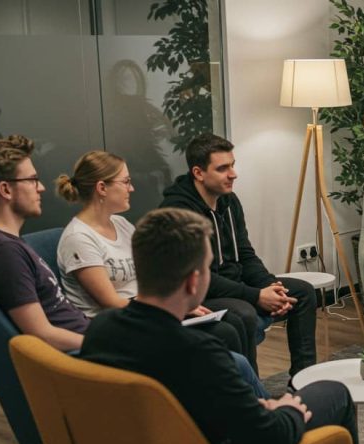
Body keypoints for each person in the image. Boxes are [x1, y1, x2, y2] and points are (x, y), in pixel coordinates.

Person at [80, 208, 364, 444]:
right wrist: (287, 410)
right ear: (194, 282)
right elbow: (270, 439)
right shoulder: (196, 351)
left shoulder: (101, 331)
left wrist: (253, 407)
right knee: (335, 393)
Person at [54, 150, 260, 376]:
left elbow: (153, 273)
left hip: (145, 311)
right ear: (102, 188)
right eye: (126, 182)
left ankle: (244, 394)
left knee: (234, 320)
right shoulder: (78, 238)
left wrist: (178, 304)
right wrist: (168, 310)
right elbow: (111, 302)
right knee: (223, 332)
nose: (131, 188)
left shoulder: (121, 224)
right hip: (120, 324)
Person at [160, 134, 317, 380]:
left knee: (302, 292)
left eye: (232, 165)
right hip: (202, 295)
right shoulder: (178, 212)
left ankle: (303, 379)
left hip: (238, 285)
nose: (233, 174)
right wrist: (256, 296)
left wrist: (269, 286)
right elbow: (199, 277)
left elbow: (245, 253)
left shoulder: (229, 202)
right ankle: (251, 397)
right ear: (198, 173)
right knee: (243, 312)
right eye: (223, 168)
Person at [0, 134, 87, 351]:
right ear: (5, 189)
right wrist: (108, 344)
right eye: (32, 180)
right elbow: (42, 335)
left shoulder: (6, 243)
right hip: (83, 360)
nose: (40, 188)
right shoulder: (3, 252)